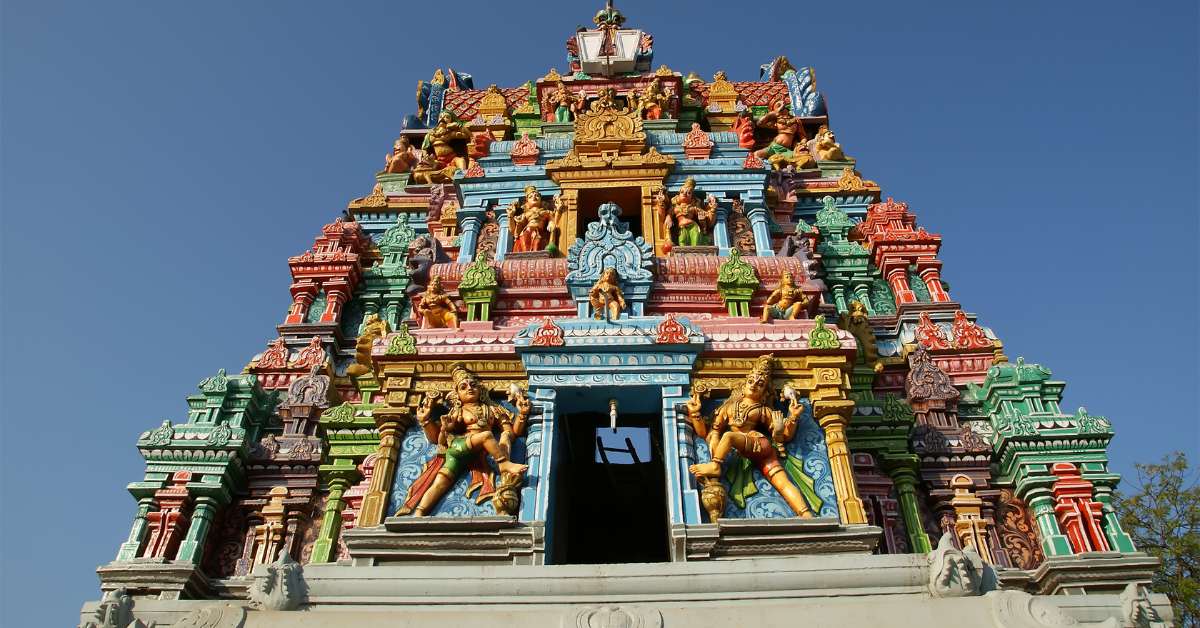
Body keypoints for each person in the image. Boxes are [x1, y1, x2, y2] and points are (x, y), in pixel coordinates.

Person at [685, 355, 817, 517]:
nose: (754, 385)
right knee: (781, 481)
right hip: (749, 449)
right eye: (751, 381)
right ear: (743, 384)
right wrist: (695, 413)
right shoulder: (728, 407)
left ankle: (715, 465)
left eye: (760, 384)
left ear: (765, 392)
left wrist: (792, 418)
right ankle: (805, 514)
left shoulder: (763, 410)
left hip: (759, 444)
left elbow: (785, 437)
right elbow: (705, 433)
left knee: (729, 437)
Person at [396, 364, 532, 517]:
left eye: (473, 385)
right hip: (459, 447)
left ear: (480, 390)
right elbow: (436, 440)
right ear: (457, 395)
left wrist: (522, 415)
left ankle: (419, 513)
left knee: (442, 481)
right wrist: (427, 421)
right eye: (463, 386)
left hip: (475, 452)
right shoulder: (458, 411)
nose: (469, 388)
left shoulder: (493, 409)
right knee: (486, 435)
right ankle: (504, 464)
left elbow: (513, 432)